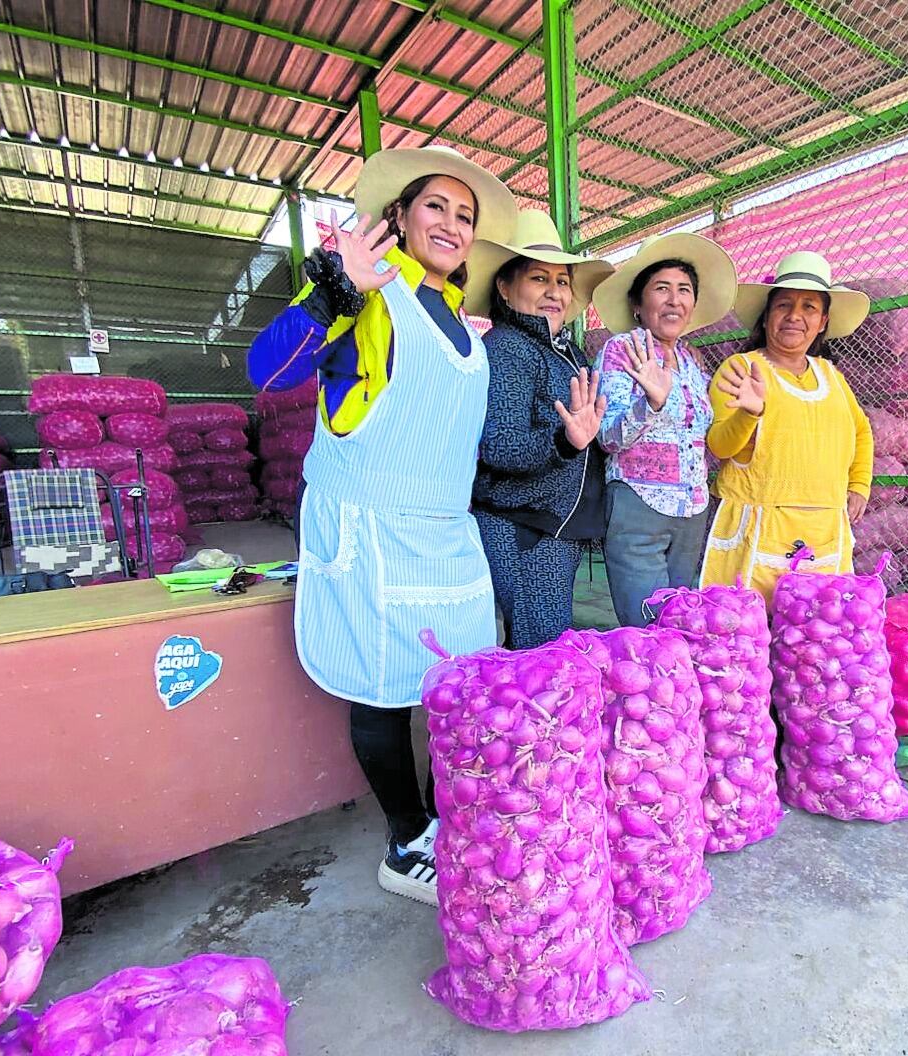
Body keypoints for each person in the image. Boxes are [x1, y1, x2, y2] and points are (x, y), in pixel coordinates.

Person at [246, 146, 516, 904]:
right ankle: (406, 841)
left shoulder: (466, 329)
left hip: (442, 533)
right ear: (397, 216)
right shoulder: (367, 293)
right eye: (436, 206)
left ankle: (444, 819)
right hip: (369, 529)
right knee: (383, 690)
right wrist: (333, 290)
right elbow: (267, 374)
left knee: (456, 686)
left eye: (465, 216)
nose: (453, 225)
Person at [466, 209, 614, 648]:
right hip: (525, 527)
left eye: (562, 281)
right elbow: (501, 446)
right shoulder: (509, 346)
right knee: (540, 655)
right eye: (538, 279)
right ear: (505, 286)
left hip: (551, 529)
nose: (554, 292)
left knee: (540, 649)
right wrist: (565, 443)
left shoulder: (561, 350)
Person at [699, 251, 874, 603]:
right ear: (766, 317)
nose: (795, 316)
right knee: (746, 637)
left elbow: (861, 432)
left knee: (818, 636)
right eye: (783, 305)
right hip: (758, 530)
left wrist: (859, 484)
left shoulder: (832, 377)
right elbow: (719, 446)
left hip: (824, 531)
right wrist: (750, 414)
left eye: (809, 307)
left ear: (823, 321)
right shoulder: (740, 369)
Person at [591, 233, 737, 626]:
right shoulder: (622, 350)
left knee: (681, 622)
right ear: (638, 305)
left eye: (684, 290)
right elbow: (607, 436)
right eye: (662, 289)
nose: (675, 300)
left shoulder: (692, 361)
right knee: (647, 628)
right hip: (639, 507)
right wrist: (651, 403)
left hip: (691, 511)